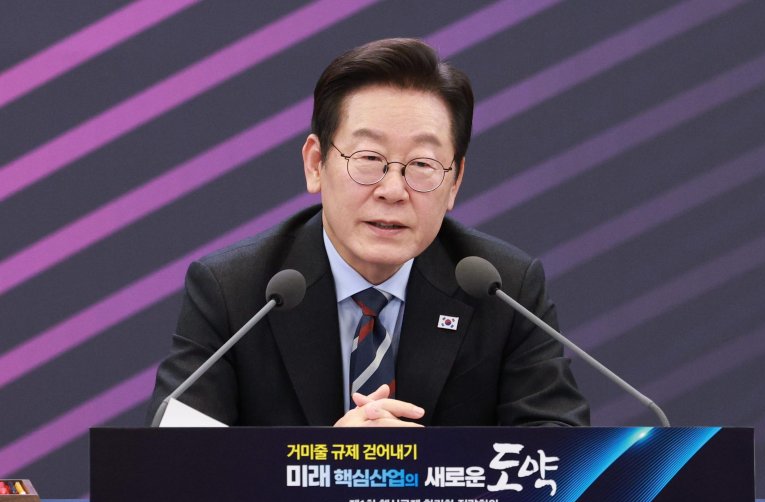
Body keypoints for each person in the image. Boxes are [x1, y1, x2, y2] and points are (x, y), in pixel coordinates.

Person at [146, 38, 589, 428]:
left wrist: (422, 470)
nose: (392, 190)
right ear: (316, 164)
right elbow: (177, 462)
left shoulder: (503, 289)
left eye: (422, 164)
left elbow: (560, 452)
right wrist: (330, 467)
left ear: (454, 181)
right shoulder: (235, 292)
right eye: (369, 158)